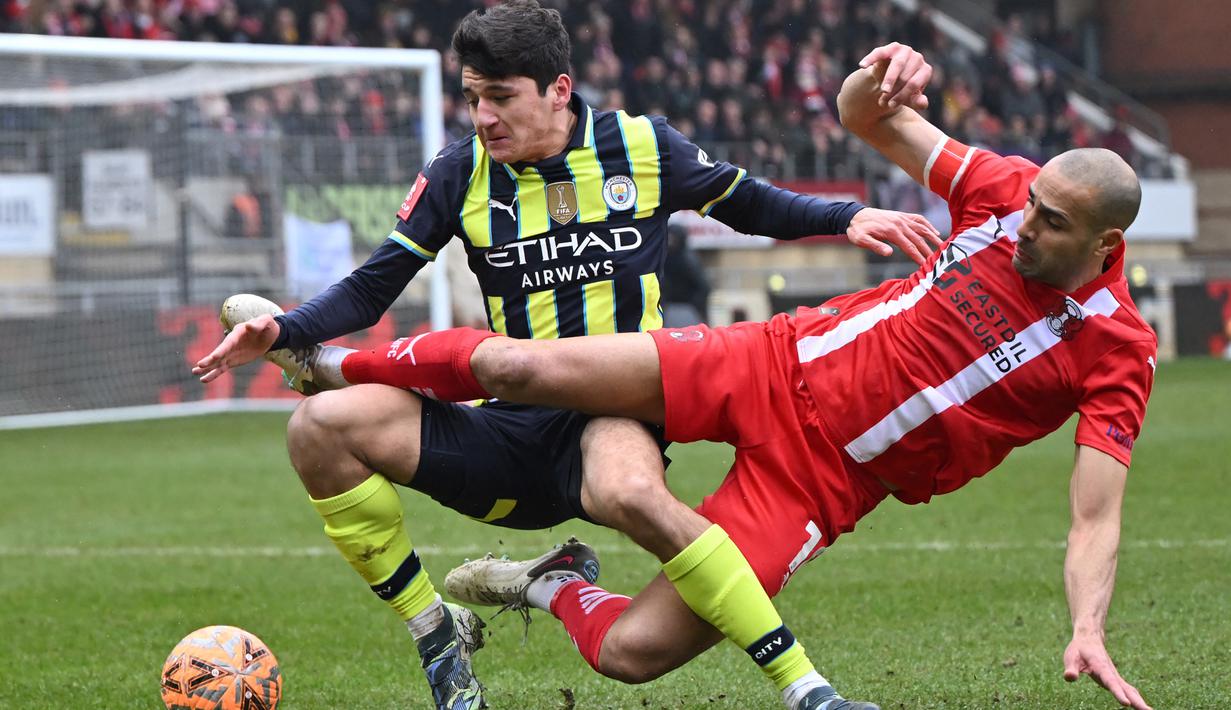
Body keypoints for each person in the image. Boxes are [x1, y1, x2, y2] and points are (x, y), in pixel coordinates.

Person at [243, 43, 1158, 710]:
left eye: (1049, 224)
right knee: (520, 362)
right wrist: (883, 78)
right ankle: (320, 363)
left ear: (1104, 245)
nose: (1024, 225)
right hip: (773, 360)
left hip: (829, 478)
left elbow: (1095, 515)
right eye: (1029, 206)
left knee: (631, 655)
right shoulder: (1002, 189)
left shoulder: (1118, 350)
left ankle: (550, 582)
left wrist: (1087, 624)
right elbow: (863, 115)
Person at [192, 3, 940, 708]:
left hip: (610, 415)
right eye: (471, 97)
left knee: (634, 495)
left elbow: (744, 200)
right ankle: (435, 629)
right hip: (504, 426)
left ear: (558, 90)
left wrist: (848, 215)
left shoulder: (641, 146)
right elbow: (372, 285)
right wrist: (285, 328)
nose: (482, 116)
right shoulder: (458, 174)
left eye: (500, 97)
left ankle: (805, 688)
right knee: (316, 429)